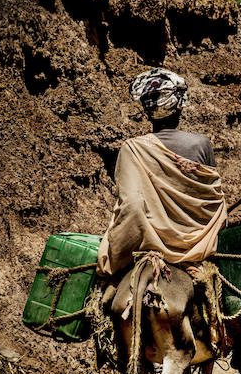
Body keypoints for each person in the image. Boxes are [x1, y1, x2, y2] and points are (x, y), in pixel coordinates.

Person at [97, 68, 228, 277]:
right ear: (180, 106)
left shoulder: (132, 148)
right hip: (199, 247)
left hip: (148, 245)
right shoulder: (202, 145)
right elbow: (214, 206)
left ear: (147, 111)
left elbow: (131, 205)